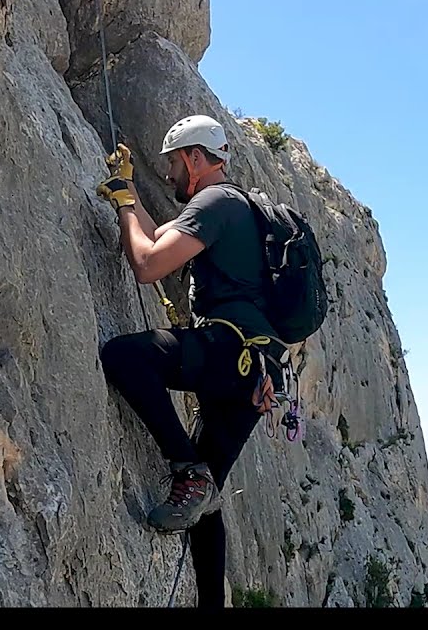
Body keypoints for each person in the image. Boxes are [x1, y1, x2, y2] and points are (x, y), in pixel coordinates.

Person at [95, 114, 286, 608]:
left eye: (175, 164)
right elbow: (162, 242)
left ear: (196, 159)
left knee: (124, 357)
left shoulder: (214, 201)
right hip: (253, 374)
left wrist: (122, 206)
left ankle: (187, 469)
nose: (170, 176)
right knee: (207, 504)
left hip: (225, 354)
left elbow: (147, 264)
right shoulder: (237, 206)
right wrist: (129, 194)